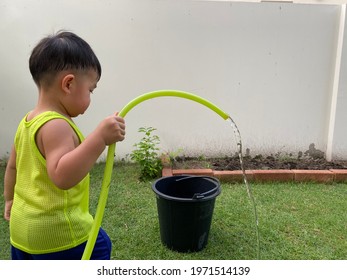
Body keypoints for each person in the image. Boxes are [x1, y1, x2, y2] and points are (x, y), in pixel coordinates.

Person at [3, 31, 126, 260]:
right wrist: (99, 138)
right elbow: (62, 175)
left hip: (22, 232)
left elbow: (12, 168)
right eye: (90, 89)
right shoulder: (56, 126)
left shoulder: (27, 121)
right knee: (100, 246)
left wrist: (9, 199)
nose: (90, 97)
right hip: (59, 235)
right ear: (68, 84)